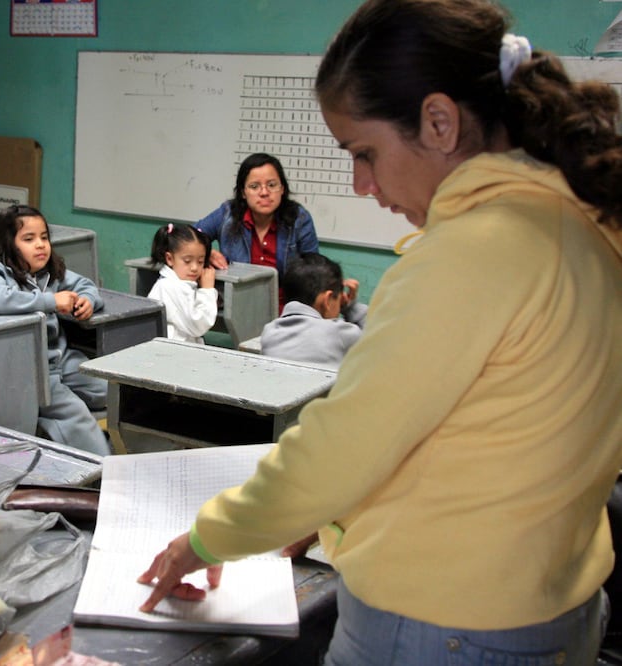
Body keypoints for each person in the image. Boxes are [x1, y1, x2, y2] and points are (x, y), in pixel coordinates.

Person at [138, 1, 622, 663]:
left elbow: (347, 441)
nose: (360, 184)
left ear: (439, 121)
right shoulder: (581, 223)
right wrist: (321, 512)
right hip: (546, 604)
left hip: (443, 621)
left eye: (363, 152)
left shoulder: (473, 253)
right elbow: (470, 438)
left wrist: (204, 538)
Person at [0, 204, 110, 456]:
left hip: (60, 359)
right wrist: (51, 301)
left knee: (106, 390)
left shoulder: (49, 272)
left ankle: (44, 424)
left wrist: (88, 300)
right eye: (29, 239)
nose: (41, 245)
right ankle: (102, 470)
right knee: (75, 414)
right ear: (8, 243)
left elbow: (85, 284)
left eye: (44, 237)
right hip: (29, 369)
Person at [195, 153, 319, 309]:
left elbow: (314, 266)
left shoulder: (299, 218)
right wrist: (206, 252)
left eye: (272, 185)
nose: (264, 192)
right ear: (243, 192)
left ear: (282, 189)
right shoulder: (228, 213)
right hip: (239, 305)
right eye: (254, 186)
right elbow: (189, 236)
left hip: (286, 307)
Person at [259, 253, 366, 368]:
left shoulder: (269, 332)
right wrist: (350, 307)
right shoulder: (340, 333)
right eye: (339, 301)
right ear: (328, 299)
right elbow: (379, 339)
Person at [146, 222, 217, 344]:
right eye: (187, 261)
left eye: (200, 262)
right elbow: (198, 325)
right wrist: (207, 290)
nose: (194, 268)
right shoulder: (172, 286)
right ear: (169, 259)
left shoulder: (176, 283)